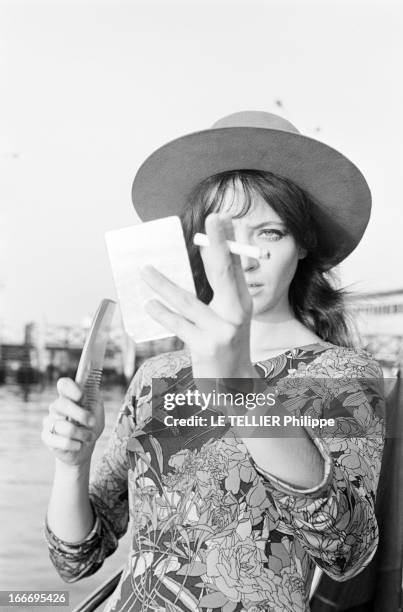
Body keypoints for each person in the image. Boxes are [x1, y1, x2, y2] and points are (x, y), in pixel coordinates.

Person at [42, 112, 385, 612]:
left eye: (268, 232)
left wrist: (241, 392)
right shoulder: (155, 377)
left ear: (302, 243)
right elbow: (78, 560)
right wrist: (71, 465)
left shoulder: (344, 377)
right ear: (196, 248)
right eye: (222, 236)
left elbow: (347, 552)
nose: (243, 259)